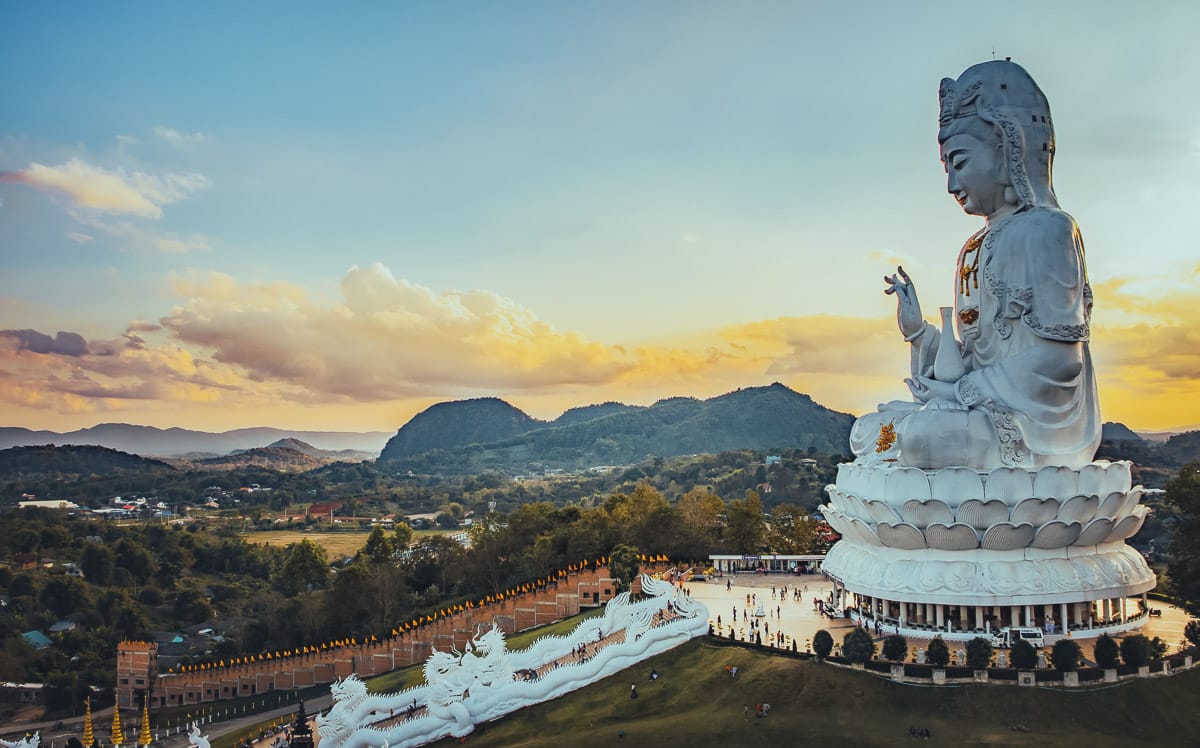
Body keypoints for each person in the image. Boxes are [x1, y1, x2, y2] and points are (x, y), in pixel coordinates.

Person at [849, 59, 1099, 471]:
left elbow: (1060, 362)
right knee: (871, 429)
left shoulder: (1049, 230)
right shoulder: (973, 248)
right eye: (946, 168)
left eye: (960, 163)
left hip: (1033, 427)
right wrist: (921, 334)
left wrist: (961, 393)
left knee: (928, 438)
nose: (950, 185)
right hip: (976, 407)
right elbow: (970, 357)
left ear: (1008, 149)